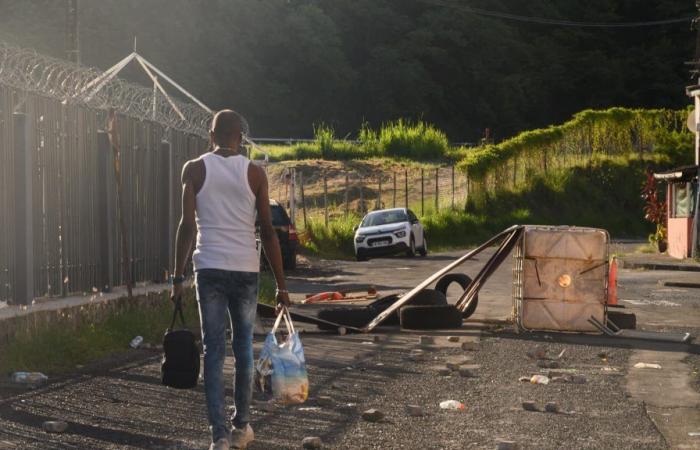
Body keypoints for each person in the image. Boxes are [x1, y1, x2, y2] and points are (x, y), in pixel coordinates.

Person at [171, 109, 290, 450]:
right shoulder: (255, 173)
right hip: (245, 268)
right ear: (240, 138)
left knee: (213, 350)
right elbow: (267, 231)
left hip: (208, 267)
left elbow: (187, 226)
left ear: (211, 136)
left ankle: (218, 435)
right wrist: (282, 286)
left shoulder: (193, 169)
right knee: (243, 349)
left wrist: (177, 278)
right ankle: (242, 426)